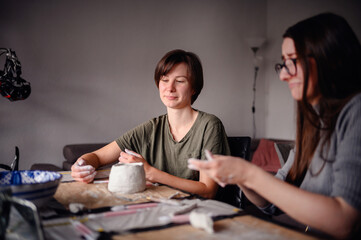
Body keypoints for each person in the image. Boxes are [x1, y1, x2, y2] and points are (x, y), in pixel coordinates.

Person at [188, 13, 361, 238]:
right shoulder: (315, 124)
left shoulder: (355, 112)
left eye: (292, 61)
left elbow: (344, 220)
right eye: (283, 63)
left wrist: (249, 173)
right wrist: (240, 176)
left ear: (326, 56)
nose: (283, 76)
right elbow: (272, 203)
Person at [71, 49, 230, 198]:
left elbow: (208, 190)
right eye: (165, 80)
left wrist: (151, 172)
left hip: (200, 214)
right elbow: (97, 157)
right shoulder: (151, 128)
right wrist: (81, 165)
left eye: (180, 81)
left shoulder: (209, 126)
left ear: (194, 88)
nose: (170, 88)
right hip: (159, 209)